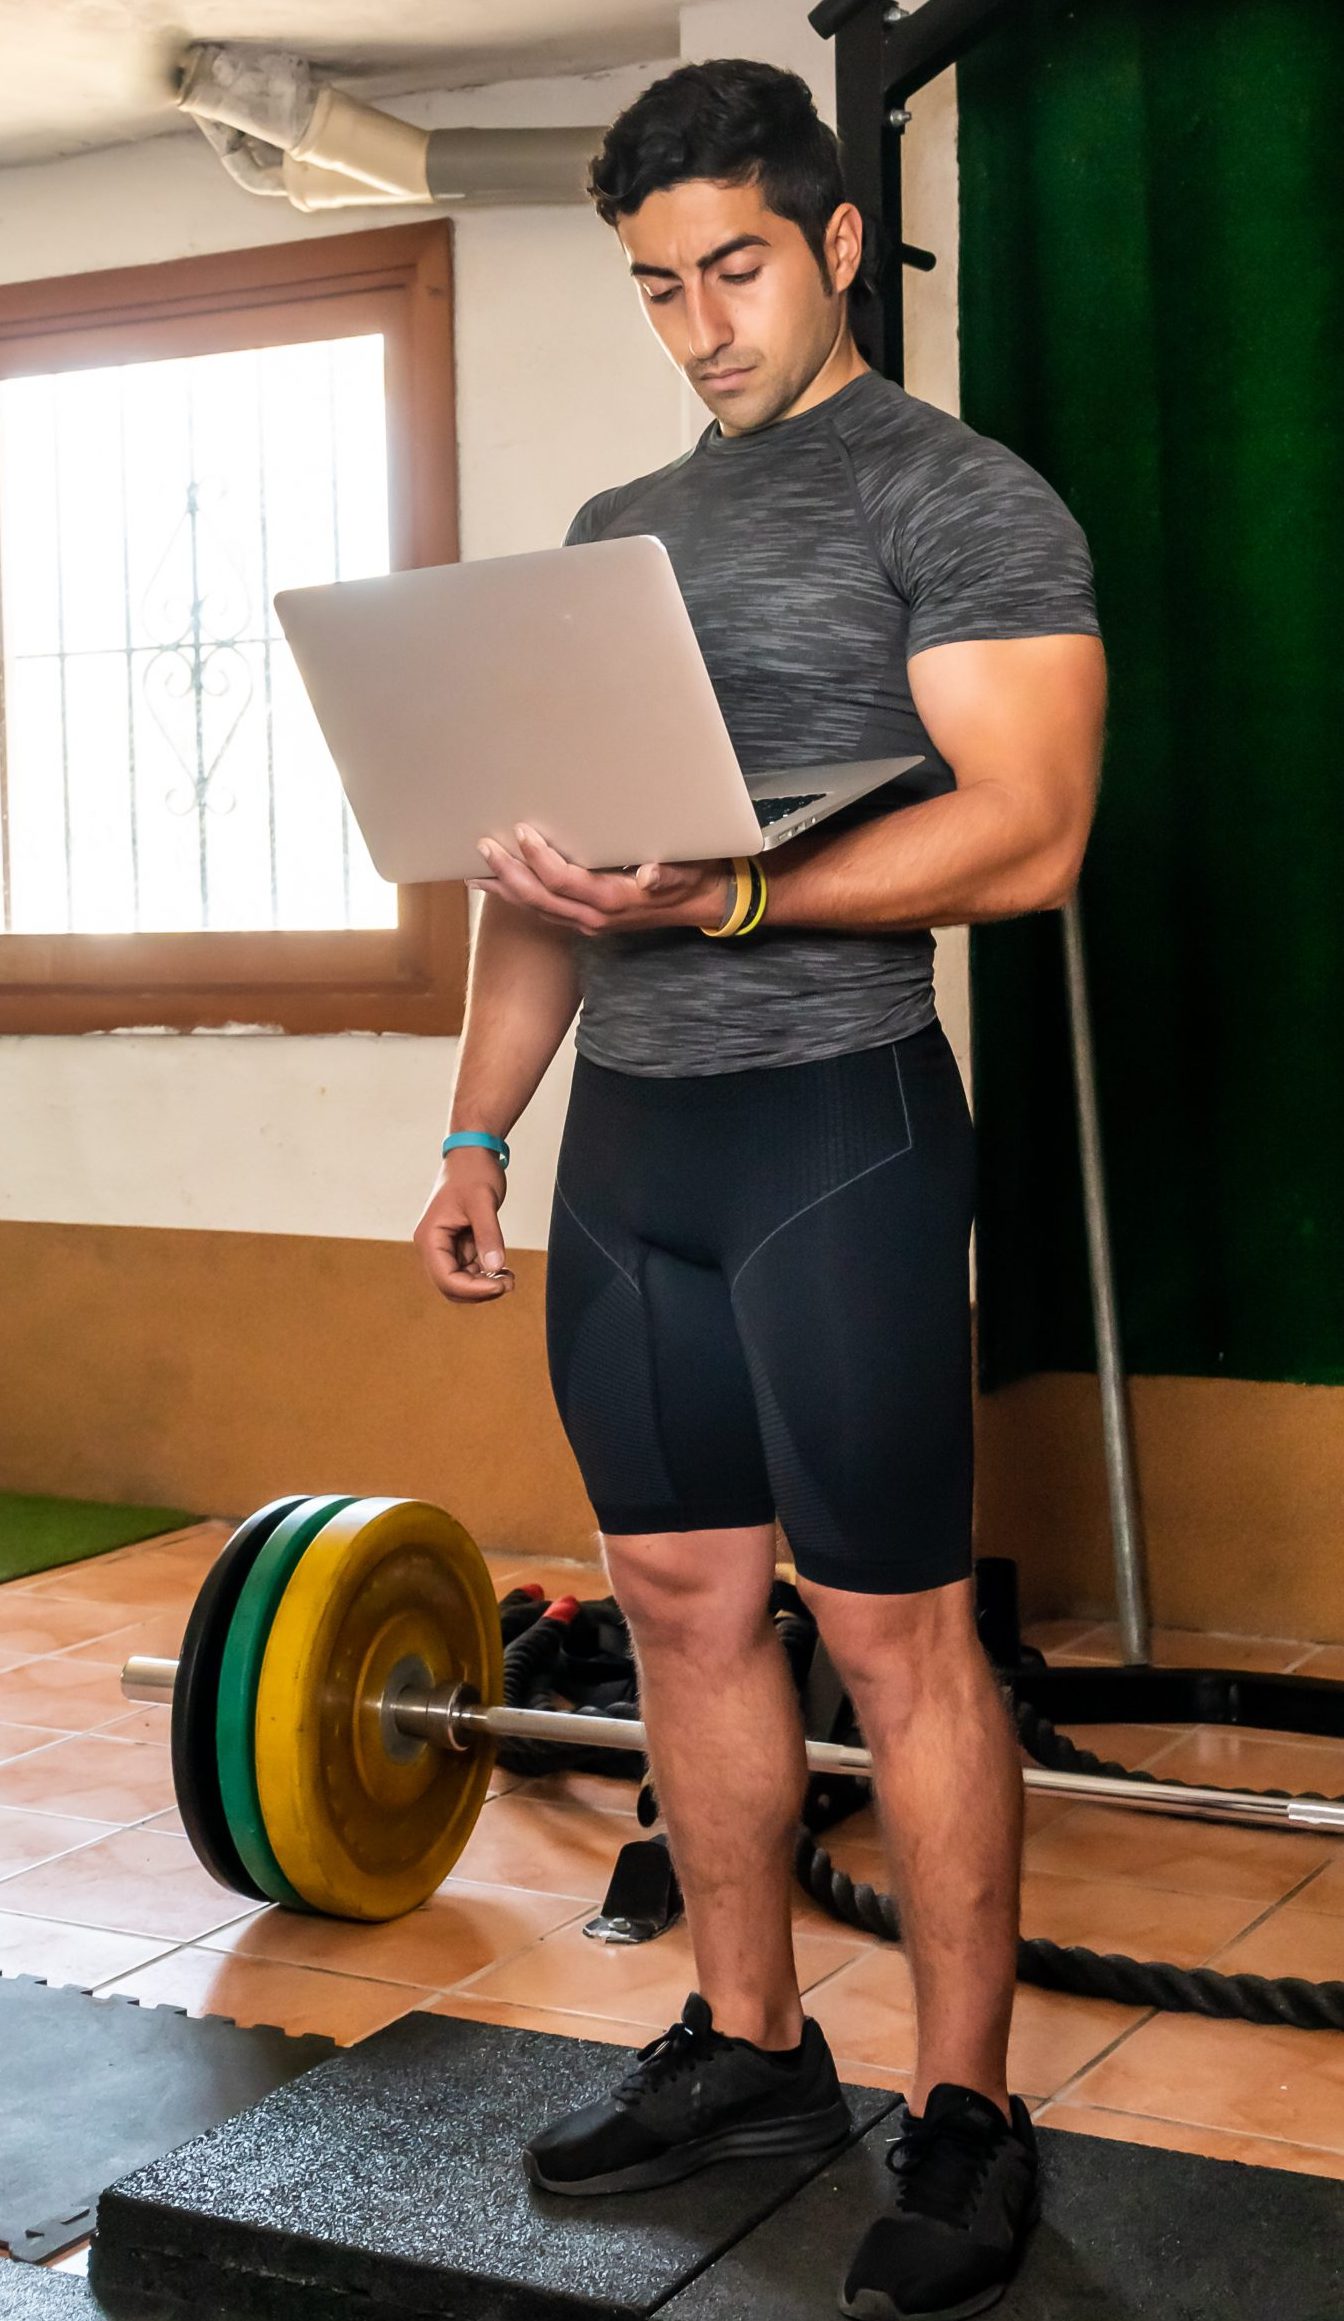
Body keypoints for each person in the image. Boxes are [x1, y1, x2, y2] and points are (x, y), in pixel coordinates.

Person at [413, 56, 1105, 2321]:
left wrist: (728, 897)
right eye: (656, 286)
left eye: (733, 269)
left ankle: (966, 2110)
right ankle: (750, 2048)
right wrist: (477, 1132)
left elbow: (1030, 826)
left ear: (837, 243)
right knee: (680, 1602)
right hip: (635, 1156)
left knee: (895, 1633)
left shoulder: (962, 498)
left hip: (838, 1133)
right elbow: (540, 884)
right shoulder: (615, 529)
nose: (700, 324)